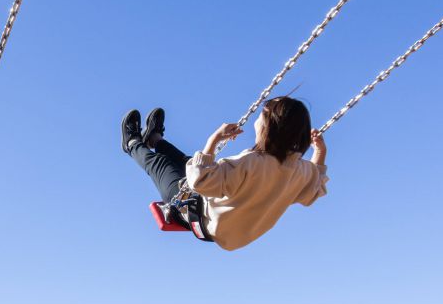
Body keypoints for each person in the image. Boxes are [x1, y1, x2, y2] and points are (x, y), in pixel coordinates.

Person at [122, 97, 328, 250]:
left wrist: (214, 140)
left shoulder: (251, 163)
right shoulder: (299, 170)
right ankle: (155, 140)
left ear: (268, 126)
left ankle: (131, 143)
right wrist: (320, 152)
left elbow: (200, 182)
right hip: (228, 229)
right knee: (187, 162)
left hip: (196, 214)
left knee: (160, 164)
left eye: (261, 116)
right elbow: (314, 188)